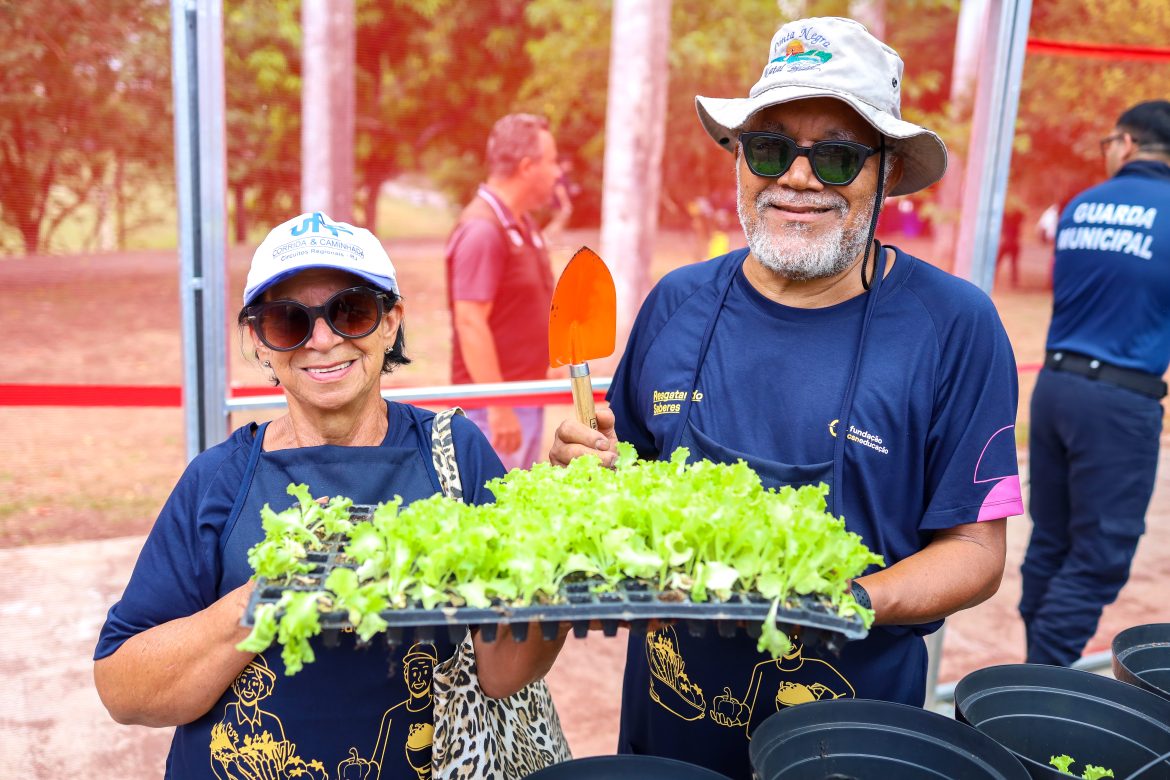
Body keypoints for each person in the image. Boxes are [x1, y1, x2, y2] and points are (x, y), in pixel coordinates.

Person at [550, 17, 1022, 778]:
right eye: (769, 150)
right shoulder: (677, 303)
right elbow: (617, 486)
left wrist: (850, 599)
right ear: (739, 161)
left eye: (836, 157)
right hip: (671, 734)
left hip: (848, 743)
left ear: (887, 172)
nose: (797, 179)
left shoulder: (953, 325)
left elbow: (975, 552)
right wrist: (580, 468)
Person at [94, 211, 566, 778]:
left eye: (351, 311)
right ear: (258, 343)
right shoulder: (218, 479)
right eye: (287, 321)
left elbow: (506, 670)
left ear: (391, 323)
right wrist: (265, 600)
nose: (323, 339)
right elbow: (123, 687)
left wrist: (558, 535)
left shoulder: (455, 454)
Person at [1020, 100, 1170, 668]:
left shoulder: (1082, 206)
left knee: (1050, 542)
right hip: (1121, 400)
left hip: (1057, 388)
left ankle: (1028, 669)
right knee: (1098, 556)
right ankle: (1042, 680)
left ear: (1127, 144)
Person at [446, 113, 561, 470]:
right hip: (494, 411)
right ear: (527, 167)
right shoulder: (482, 229)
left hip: (521, 399)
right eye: (553, 162)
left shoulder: (521, 223)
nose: (558, 173)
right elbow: (470, 321)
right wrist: (498, 404)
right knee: (494, 513)